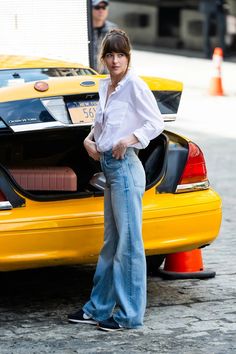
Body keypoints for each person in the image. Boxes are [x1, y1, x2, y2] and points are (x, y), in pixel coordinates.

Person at [68, 29, 164, 332]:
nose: (114, 60)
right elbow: (100, 123)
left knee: (129, 245)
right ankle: (98, 308)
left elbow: (156, 122)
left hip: (125, 169)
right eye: (109, 54)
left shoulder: (134, 85)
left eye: (120, 54)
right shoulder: (107, 86)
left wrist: (128, 139)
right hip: (110, 169)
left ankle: (129, 315)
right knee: (111, 244)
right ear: (104, 57)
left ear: (128, 56)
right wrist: (88, 139)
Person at [91, 0, 117, 72]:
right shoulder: (83, 29)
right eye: (97, 7)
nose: (101, 10)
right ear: (90, 9)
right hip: (87, 75)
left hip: (108, 76)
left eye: (104, 7)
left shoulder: (114, 29)